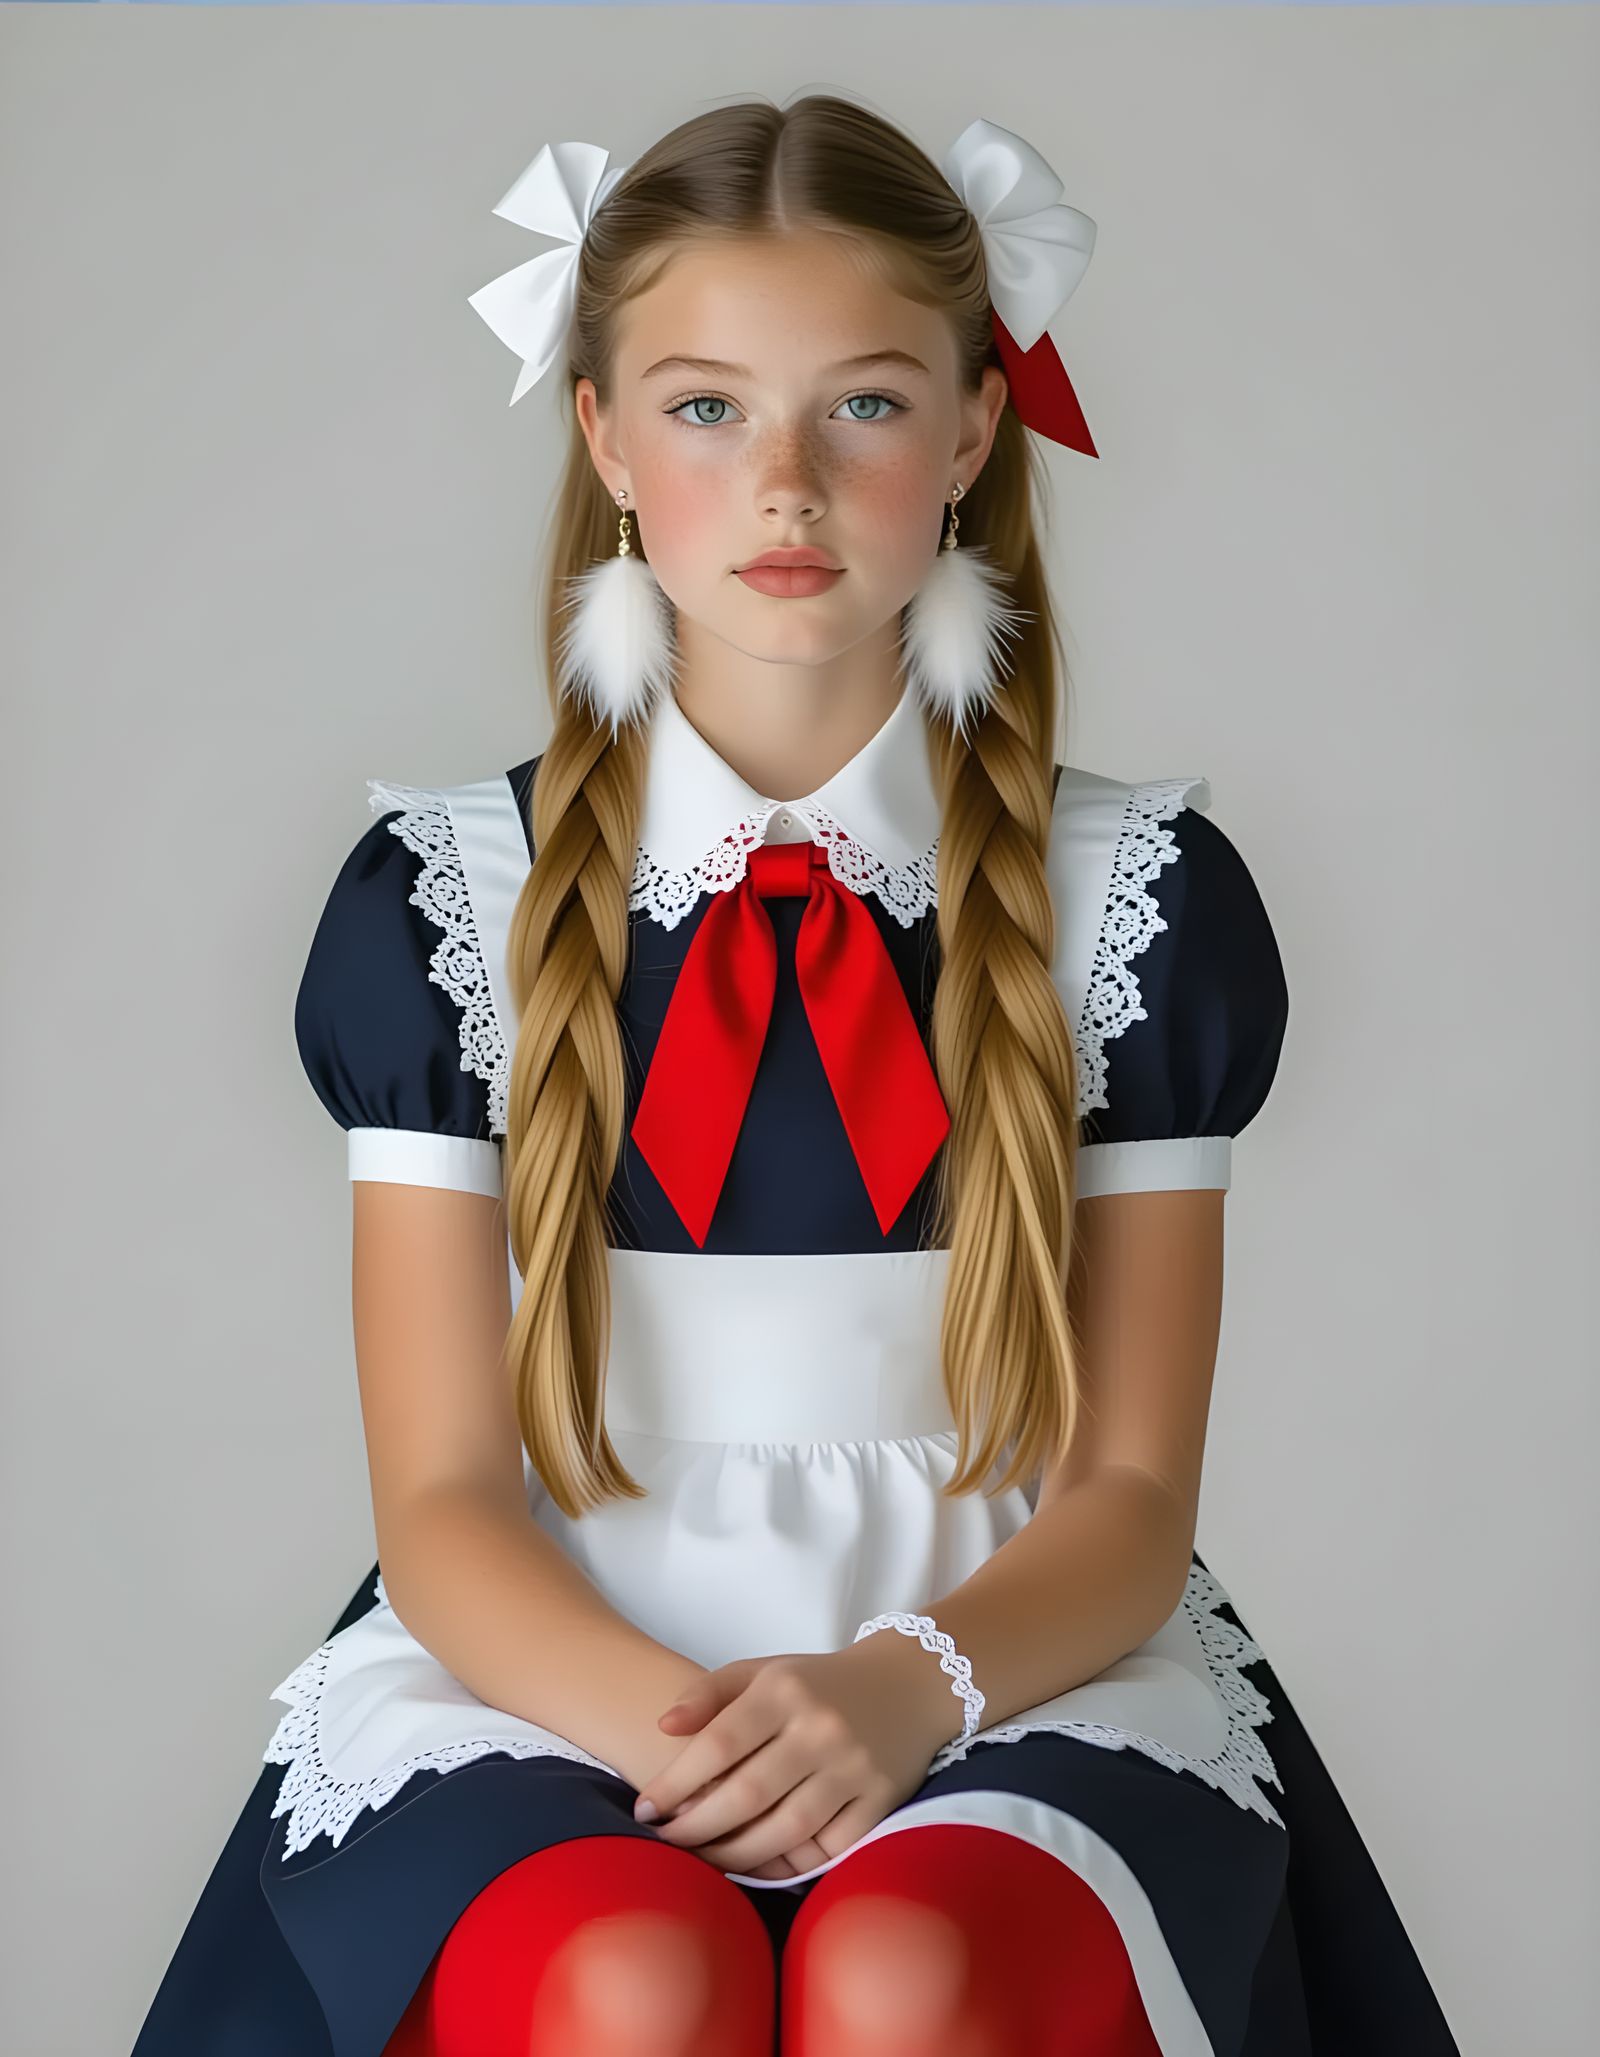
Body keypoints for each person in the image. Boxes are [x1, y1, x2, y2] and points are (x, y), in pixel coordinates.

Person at [131, 94, 1461, 2057]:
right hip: (554, 1674)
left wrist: (901, 1689)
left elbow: (1121, 1492)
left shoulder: (1134, 909)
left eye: (856, 405)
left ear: (969, 435)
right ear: (595, 435)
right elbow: (439, 1497)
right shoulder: (448, 904)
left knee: (908, 1966)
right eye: (700, 408)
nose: (782, 483)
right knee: (628, 1971)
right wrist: (708, 1748)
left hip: (1005, 1664)